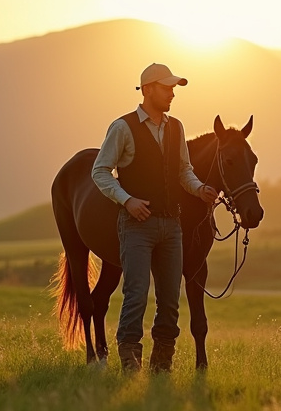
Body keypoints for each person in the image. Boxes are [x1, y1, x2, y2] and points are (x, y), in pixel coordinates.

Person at [91, 63, 218, 373]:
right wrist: (127, 200)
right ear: (147, 90)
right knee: (136, 294)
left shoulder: (176, 127)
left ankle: (162, 364)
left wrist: (199, 188)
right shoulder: (122, 128)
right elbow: (100, 171)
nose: (172, 93)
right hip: (136, 226)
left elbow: (182, 171)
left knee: (170, 300)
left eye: (174, 88)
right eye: (166, 87)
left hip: (171, 225)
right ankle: (130, 363)